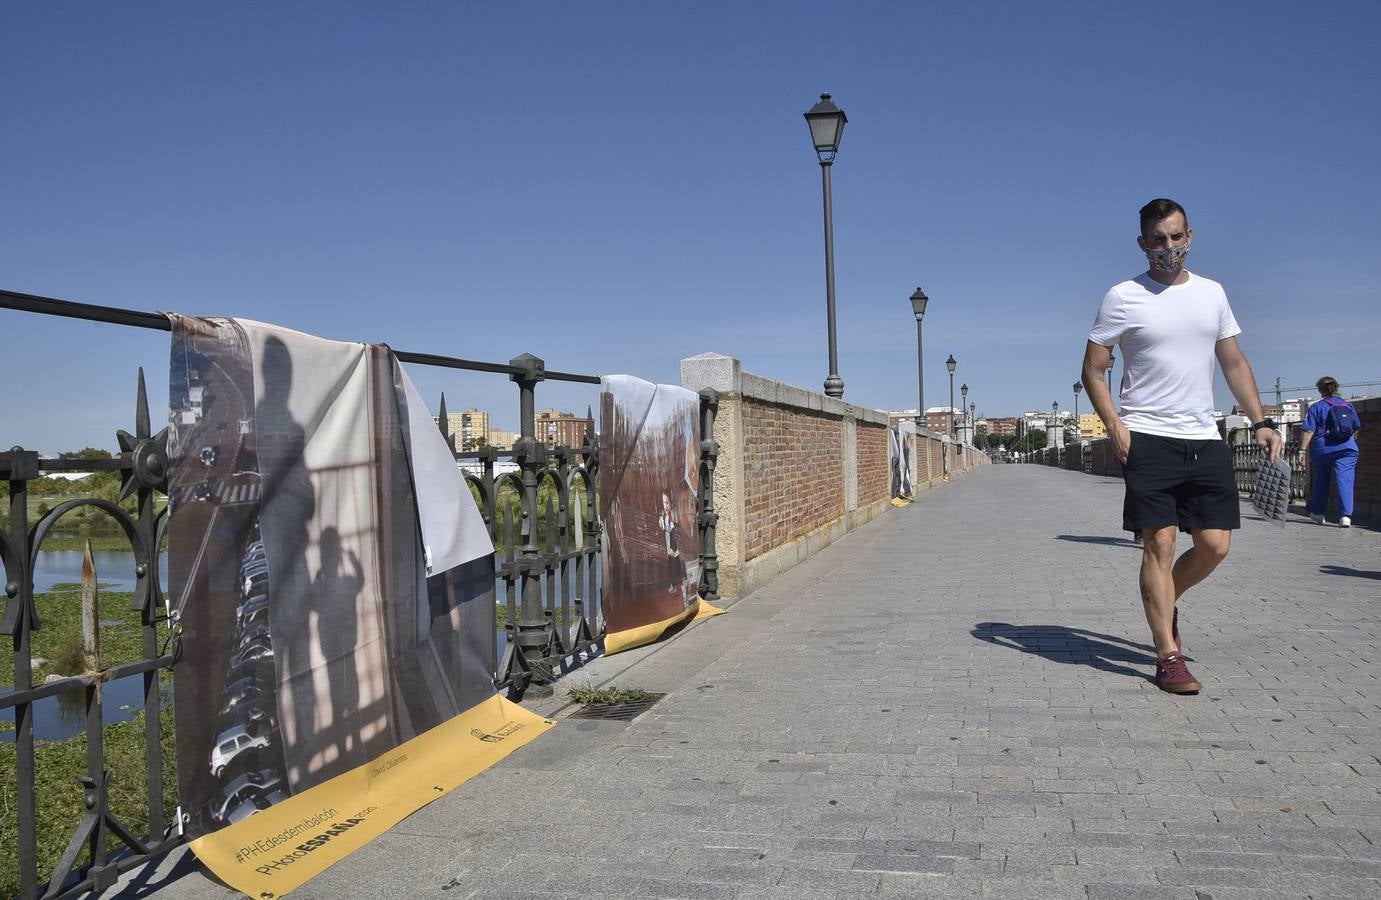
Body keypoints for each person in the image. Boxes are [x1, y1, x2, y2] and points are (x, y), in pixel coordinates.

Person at [1081, 198, 1282, 695]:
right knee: (1161, 542)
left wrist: (1260, 420)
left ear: (1189, 235)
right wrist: (1114, 424)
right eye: (1157, 239)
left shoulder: (1212, 294)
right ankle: (1167, 656)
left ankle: (1166, 601)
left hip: (1203, 436)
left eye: (1175, 237)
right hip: (1147, 436)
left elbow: (1233, 362)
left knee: (1214, 545)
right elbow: (1093, 368)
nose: (1167, 248)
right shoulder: (1123, 296)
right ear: (1142, 242)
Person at [1300, 376, 1361, 527]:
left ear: (1320, 390)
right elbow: (1355, 427)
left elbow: (1309, 430)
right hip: (1347, 447)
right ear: (1336, 388)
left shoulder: (1316, 407)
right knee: (1345, 480)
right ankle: (1345, 516)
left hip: (1323, 448)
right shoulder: (1348, 406)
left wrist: (1302, 450)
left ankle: (1318, 513)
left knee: (1322, 479)